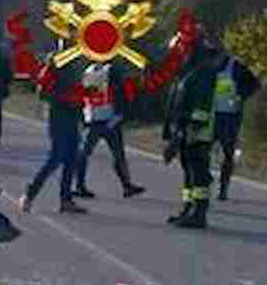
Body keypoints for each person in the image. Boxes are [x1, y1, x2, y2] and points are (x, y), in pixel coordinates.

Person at [163, 27, 241, 229]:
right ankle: (188, 208)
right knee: (188, 171)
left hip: (198, 131)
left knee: (198, 173)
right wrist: (173, 133)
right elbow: (177, 103)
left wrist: (185, 131)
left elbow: (201, 108)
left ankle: (199, 213)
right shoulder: (187, 72)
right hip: (187, 129)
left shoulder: (202, 71)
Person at [19, 46, 89, 214]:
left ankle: (66, 200)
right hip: (59, 115)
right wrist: (68, 97)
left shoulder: (77, 63)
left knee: (72, 158)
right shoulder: (57, 62)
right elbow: (46, 90)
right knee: (56, 157)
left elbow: (78, 89)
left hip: (73, 115)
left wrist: (82, 99)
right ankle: (30, 193)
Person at [72, 62, 145, 199]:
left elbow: (84, 96)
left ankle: (80, 186)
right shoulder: (111, 71)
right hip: (106, 119)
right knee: (115, 155)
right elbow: (123, 94)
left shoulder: (89, 71)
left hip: (95, 119)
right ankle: (126, 186)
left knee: (85, 154)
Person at [211, 40, 261, 200]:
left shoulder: (236, 67)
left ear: (223, 53)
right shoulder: (208, 67)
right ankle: (206, 178)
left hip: (230, 116)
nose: (215, 59)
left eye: (217, 55)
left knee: (228, 153)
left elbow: (255, 84)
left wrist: (241, 96)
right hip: (211, 116)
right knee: (201, 150)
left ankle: (223, 187)